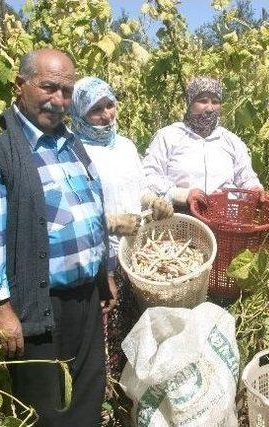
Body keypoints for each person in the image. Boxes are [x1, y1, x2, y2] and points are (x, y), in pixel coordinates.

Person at [0, 49, 114, 426]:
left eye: (67, 91)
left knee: (87, 397)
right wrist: (0, 306)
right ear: (20, 85)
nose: (58, 101)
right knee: (49, 412)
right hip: (35, 305)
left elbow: (91, 208)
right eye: (48, 87)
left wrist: (103, 271)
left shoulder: (68, 141)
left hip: (85, 298)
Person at [70, 76, 173, 380]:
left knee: (137, 329)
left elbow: (137, 188)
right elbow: (77, 212)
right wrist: (112, 223)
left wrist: (155, 200)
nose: (106, 114)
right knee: (106, 336)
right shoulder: (73, 151)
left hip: (138, 253)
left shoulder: (125, 145)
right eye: (95, 110)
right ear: (79, 114)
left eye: (109, 105)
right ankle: (108, 398)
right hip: (102, 259)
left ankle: (135, 391)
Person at [142, 76, 269, 209]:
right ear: (190, 103)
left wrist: (255, 189)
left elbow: (245, 177)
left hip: (224, 217)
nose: (210, 108)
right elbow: (149, 175)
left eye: (215, 102)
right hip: (180, 216)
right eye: (203, 101)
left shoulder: (230, 140)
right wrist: (183, 195)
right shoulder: (168, 136)